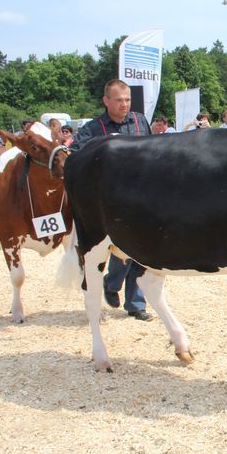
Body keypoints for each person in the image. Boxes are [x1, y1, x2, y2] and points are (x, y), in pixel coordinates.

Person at [70, 78, 153, 322]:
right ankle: (112, 281)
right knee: (126, 247)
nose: (124, 105)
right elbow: (76, 156)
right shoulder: (93, 129)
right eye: (119, 100)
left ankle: (136, 304)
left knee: (144, 250)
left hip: (145, 195)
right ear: (106, 101)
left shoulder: (140, 121)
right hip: (112, 201)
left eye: (127, 100)